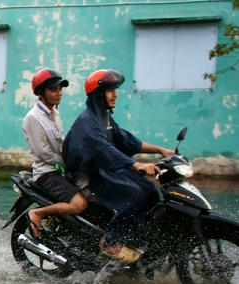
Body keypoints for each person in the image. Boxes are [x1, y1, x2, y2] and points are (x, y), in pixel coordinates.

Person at [62, 69, 175, 264]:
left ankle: (137, 238)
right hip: (90, 179)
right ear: (98, 95)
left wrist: (161, 150)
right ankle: (111, 241)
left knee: (149, 189)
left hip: (104, 172)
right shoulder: (88, 122)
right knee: (134, 194)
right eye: (109, 90)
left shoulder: (103, 117)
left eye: (115, 89)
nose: (115, 94)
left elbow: (126, 140)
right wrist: (136, 164)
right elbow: (105, 150)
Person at [23, 68, 88, 237]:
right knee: (79, 204)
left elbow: (61, 142)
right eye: (53, 90)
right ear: (41, 93)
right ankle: (38, 213)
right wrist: (69, 162)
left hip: (60, 169)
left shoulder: (54, 113)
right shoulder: (33, 117)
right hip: (47, 173)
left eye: (60, 89)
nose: (58, 93)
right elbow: (43, 153)